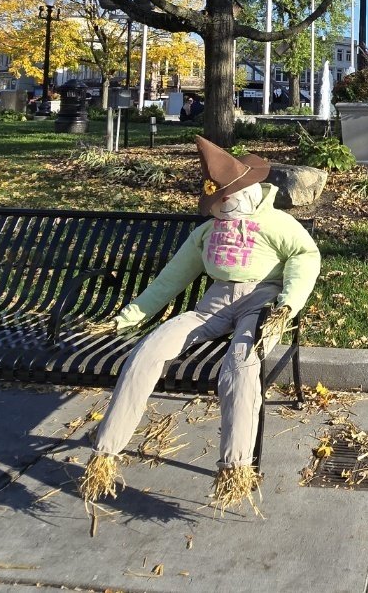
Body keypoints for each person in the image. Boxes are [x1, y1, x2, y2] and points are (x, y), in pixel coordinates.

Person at [79, 138, 321, 511]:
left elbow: (304, 257)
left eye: (229, 194)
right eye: (218, 198)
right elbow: (171, 278)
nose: (223, 204)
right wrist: (128, 318)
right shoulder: (207, 232)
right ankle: (105, 453)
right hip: (214, 305)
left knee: (241, 363)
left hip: (261, 303)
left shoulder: (277, 223)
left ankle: (236, 465)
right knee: (149, 350)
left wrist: (286, 306)